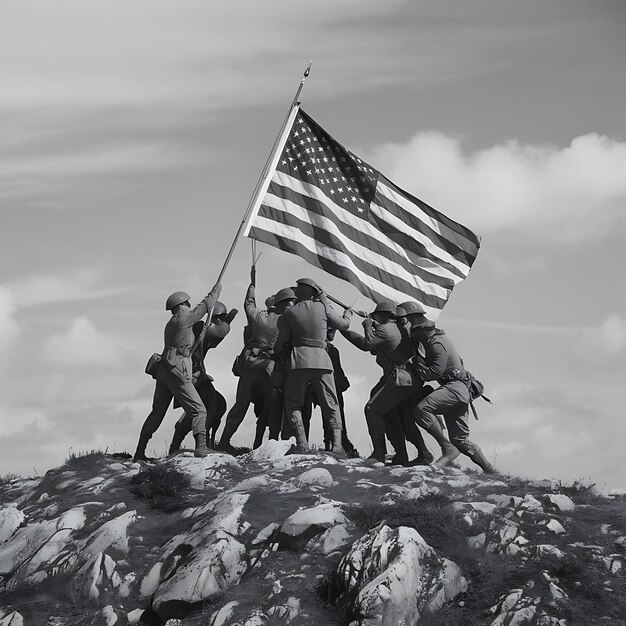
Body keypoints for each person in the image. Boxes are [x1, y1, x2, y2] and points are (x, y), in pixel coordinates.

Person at [134, 283, 221, 462]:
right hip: (177, 369)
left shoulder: (171, 323)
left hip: (165, 369)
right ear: (181, 306)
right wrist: (216, 291)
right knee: (199, 410)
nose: (189, 306)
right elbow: (204, 307)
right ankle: (201, 448)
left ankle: (139, 452)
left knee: (157, 412)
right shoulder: (183, 318)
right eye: (187, 303)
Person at [405, 303, 495, 473]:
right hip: (459, 390)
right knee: (460, 440)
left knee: (421, 410)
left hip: (455, 388)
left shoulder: (436, 343)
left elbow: (433, 373)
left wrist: (417, 364)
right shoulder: (435, 339)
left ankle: (447, 449)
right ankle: (491, 471)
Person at [340, 301, 427, 464]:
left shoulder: (386, 329)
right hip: (406, 378)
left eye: (376, 315)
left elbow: (366, 344)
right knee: (395, 414)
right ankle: (408, 454)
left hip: (400, 379)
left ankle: (379, 453)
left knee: (372, 409)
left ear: (386, 316)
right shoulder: (398, 329)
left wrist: (365, 326)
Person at [273, 278, 351, 454]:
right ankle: (338, 445)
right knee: (331, 404)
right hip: (321, 360)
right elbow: (343, 324)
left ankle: (302, 443)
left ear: (302, 291)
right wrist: (348, 314)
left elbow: (281, 343)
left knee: (293, 404)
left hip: (297, 361)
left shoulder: (290, 312)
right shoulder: (323, 307)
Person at [218, 267, 280, 453]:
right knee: (272, 404)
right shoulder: (285, 320)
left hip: (248, 364)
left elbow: (248, 302)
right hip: (268, 366)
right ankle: (266, 444)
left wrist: (252, 283)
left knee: (241, 404)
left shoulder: (256, 315)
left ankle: (224, 441)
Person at [168, 302, 237, 453]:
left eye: (222, 318)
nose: (220, 321)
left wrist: (227, 321)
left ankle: (183, 445)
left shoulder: (203, 329)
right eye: (219, 317)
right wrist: (228, 321)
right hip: (191, 375)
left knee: (214, 404)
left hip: (195, 375)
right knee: (204, 408)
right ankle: (200, 445)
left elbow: (216, 339)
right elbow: (219, 332)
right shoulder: (200, 327)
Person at [302, 327, 359, 456]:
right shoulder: (330, 350)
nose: (333, 333)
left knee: (326, 409)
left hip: (311, 377)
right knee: (333, 408)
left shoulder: (331, 349)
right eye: (331, 330)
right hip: (321, 381)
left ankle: (332, 442)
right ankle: (337, 442)